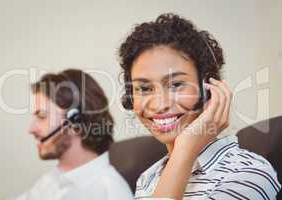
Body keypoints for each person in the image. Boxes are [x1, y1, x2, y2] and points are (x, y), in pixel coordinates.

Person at [118, 13, 281, 199]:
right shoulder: (149, 179)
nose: (159, 104)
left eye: (176, 84)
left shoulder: (247, 174)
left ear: (209, 89)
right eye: (145, 88)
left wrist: (185, 149)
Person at [17, 69, 133, 199]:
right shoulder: (52, 179)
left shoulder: (109, 193)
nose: (31, 129)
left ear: (77, 119)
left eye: (42, 116)